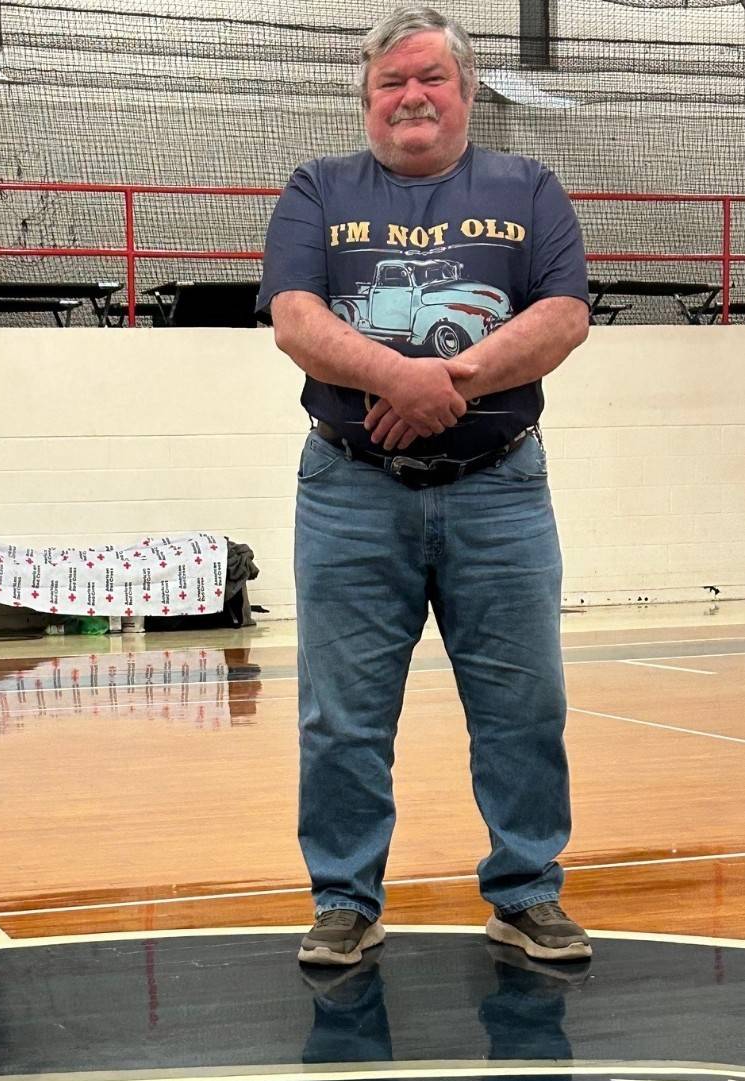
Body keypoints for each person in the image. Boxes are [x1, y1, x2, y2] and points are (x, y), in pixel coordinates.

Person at [256, 4, 592, 966]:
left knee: (524, 704)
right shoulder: (316, 188)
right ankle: (344, 900)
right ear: (367, 102)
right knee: (341, 713)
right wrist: (395, 376)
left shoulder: (529, 187)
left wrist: (437, 383)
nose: (410, 96)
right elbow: (293, 316)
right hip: (349, 488)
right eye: (389, 83)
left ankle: (525, 891)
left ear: (465, 88)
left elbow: (563, 315)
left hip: (500, 488)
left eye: (428, 79)